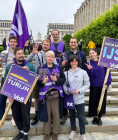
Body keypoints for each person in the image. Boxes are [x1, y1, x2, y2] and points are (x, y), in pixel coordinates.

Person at [4, 47, 36, 140]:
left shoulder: (29, 66)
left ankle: (26, 133)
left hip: (26, 95)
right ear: (15, 55)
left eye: (22, 53)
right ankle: (21, 131)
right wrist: (8, 95)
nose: (21, 55)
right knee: (16, 114)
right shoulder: (10, 66)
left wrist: (28, 71)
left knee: (25, 114)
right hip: (13, 95)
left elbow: (35, 78)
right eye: (19, 54)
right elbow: (6, 80)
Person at [27, 39, 56, 125]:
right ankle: (37, 114)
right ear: (42, 45)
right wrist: (33, 53)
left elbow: (55, 66)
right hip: (38, 78)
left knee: (48, 96)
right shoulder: (37, 53)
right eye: (44, 44)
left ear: (49, 46)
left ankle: (48, 114)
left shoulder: (51, 54)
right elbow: (27, 60)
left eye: (47, 44)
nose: (45, 46)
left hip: (48, 79)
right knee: (36, 97)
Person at [37, 51, 65, 140]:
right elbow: (38, 82)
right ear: (45, 57)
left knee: (56, 115)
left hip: (56, 95)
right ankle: (47, 133)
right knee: (47, 115)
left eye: (51, 57)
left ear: (54, 58)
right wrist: (42, 82)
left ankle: (56, 132)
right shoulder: (41, 67)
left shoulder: (58, 67)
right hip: (45, 96)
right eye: (48, 56)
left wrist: (56, 80)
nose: (50, 58)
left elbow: (63, 79)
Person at [61, 37, 88, 125]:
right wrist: (62, 65)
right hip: (69, 78)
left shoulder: (82, 53)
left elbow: (85, 65)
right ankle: (65, 115)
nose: (73, 44)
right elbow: (61, 67)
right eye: (71, 42)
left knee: (80, 99)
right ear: (69, 44)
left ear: (77, 44)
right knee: (67, 97)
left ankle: (82, 117)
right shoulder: (65, 54)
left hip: (79, 78)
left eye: (74, 42)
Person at [63, 55, 90, 140]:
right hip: (70, 99)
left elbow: (87, 84)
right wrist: (67, 91)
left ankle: (83, 133)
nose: (74, 63)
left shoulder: (83, 72)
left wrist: (80, 90)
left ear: (78, 62)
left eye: (75, 61)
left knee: (81, 117)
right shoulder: (66, 73)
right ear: (70, 63)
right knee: (71, 115)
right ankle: (73, 130)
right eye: (72, 61)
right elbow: (63, 85)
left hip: (80, 99)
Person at [86, 49, 112, 125]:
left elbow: (108, 73)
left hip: (103, 86)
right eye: (90, 53)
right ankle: (94, 117)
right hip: (94, 86)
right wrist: (90, 70)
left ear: (96, 53)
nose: (91, 54)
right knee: (94, 101)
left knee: (102, 102)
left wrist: (107, 83)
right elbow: (89, 77)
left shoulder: (103, 62)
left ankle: (99, 117)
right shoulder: (89, 63)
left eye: (93, 53)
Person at [0, 36, 18, 126]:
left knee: (14, 100)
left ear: (17, 43)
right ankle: (0, 118)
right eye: (11, 41)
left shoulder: (19, 52)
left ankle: (13, 117)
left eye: (14, 42)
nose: (13, 43)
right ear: (9, 42)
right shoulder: (4, 53)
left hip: (15, 79)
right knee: (2, 99)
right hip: (5, 78)